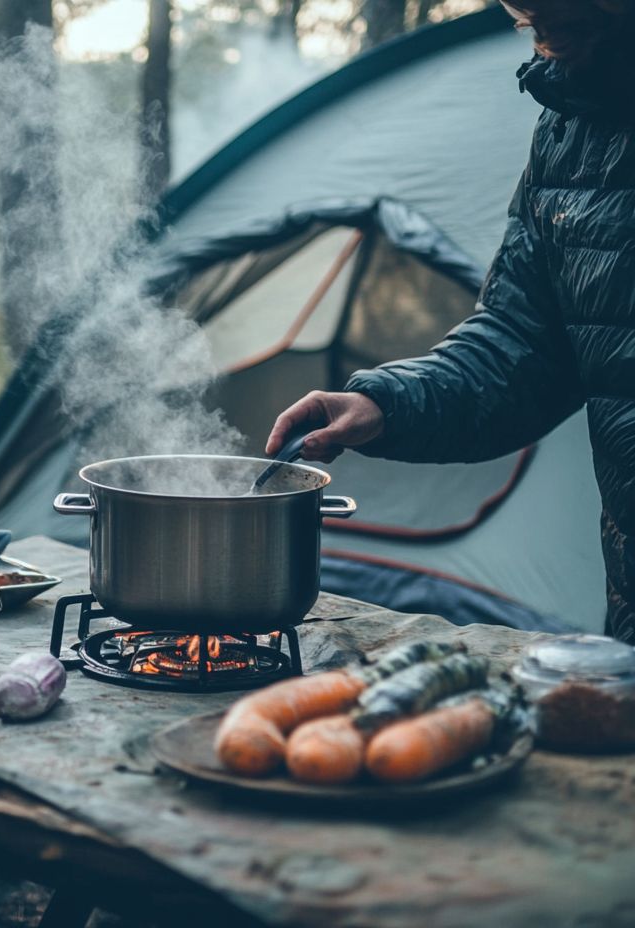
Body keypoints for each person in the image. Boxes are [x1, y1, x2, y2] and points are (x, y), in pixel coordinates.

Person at [266, 0, 635, 643]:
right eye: (526, 9)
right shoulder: (574, 125)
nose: (533, 25)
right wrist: (383, 403)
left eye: (560, 12)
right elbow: (522, 344)